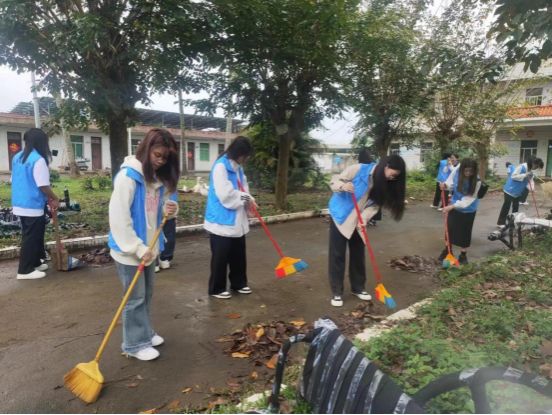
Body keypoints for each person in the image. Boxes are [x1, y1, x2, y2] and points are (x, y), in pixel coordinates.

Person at [108, 128, 179, 361]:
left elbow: (153, 212)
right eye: (157, 155)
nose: (161, 161)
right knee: (134, 299)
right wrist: (137, 248)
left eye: (165, 158)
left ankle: (145, 333)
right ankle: (134, 344)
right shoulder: (128, 178)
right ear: (146, 149)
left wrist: (169, 208)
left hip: (149, 248)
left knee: (146, 295)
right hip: (129, 251)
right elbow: (119, 220)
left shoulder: (154, 179)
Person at [328, 155, 406, 307]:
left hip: (359, 219)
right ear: (386, 166)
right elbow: (334, 181)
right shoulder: (358, 169)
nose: (392, 178)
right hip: (341, 216)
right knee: (337, 254)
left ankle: (358, 288)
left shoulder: (384, 183)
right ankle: (337, 292)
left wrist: (363, 219)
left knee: (358, 253)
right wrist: (343, 186)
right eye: (392, 174)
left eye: (395, 177)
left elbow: (375, 205)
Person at [204, 136, 255, 299]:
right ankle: (216, 288)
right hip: (221, 220)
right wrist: (246, 198)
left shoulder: (238, 168)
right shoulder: (221, 166)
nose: (246, 159)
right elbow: (226, 195)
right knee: (220, 257)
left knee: (238, 254)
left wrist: (250, 201)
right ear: (239, 153)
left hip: (237, 220)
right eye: (245, 155)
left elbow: (244, 188)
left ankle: (239, 283)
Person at [11, 128, 59, 280]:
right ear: (42, 142)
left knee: (35, 235)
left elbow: (13, 179)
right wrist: (55, 198)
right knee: (31, 237)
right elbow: (43, 185)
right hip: (32, 203)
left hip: (20, 202)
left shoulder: (17, 157)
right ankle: (24, 271)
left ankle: (35, 263)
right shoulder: (38, 160)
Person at [438, 158, 481, 265]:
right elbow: (450, 182)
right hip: (454, 205)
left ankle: (463, 255)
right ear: (462, 169)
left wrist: (452, 206)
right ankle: (448, 251)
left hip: (468, 209)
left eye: (471, 171)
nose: (468, 173)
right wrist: (445, 185)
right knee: (449, 229)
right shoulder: (457, 171)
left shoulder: (477, 181)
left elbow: (468, 200)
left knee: (464, 232)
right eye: (466, 171)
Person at [497, 156, 544, 226]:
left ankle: (513, 222)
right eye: (536, 166)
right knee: (506, 206)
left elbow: (530, 181)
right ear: (532, 163)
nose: (536, 168)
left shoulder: (530, 171)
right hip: (510, 189)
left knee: (515, 208)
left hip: (518, 191)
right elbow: (513, 176)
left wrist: (532, 189)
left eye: (537, 167)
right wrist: (524, 175)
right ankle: (500, 223)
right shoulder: (521, 167)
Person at [155, 191, 178, 272]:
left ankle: (155, 262)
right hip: (169, 204)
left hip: (154, 208)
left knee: (152, 233)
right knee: (169, 233)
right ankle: (165, 259)